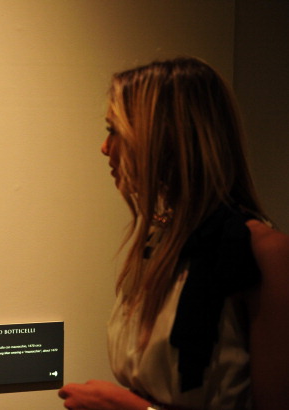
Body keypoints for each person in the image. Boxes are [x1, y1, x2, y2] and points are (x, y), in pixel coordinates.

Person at [58, 57, 289, 409]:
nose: (105, 147)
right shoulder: (158, 242)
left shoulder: (263, 252)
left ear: (162, 136)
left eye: (113, 130)